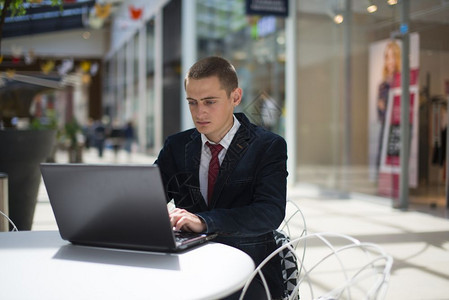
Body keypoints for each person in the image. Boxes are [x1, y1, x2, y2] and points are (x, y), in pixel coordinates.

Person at [155, 56, 288, 299]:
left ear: (235, 97)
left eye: (209, 102)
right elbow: (150, 198)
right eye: (192, 102)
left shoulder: (267, 146)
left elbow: (270, 212)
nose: (199, 112)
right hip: (190, 267)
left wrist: (205, 221)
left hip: (250, 274)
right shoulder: (177, 146)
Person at [376, 40, 401, 171]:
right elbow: (380, 114)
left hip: (398, 131)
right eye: (387, 57)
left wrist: (386, 108)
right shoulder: (382, 86)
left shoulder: (402, 82)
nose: (390, 61)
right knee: (382, 164)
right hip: (386, 130)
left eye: (393, 57)